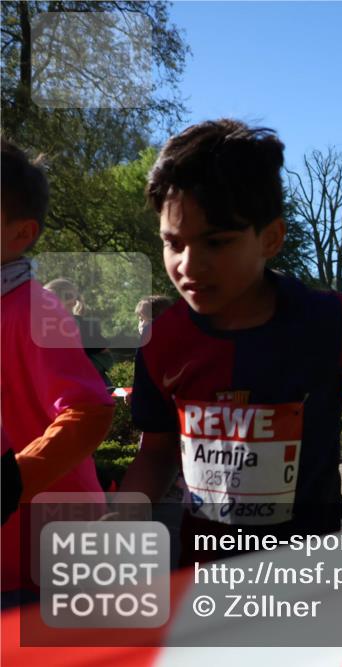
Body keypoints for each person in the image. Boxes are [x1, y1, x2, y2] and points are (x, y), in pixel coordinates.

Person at [119, 119, 342, 565]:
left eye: (216, 242)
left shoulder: (324, 318)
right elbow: (158, 450)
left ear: (271, 237)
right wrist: (121, 515)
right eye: (172, 242)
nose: (189, 263)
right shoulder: (164, 339)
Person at [1, 139, 115, 596]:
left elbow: (90, 411)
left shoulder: (35, 309)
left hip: (43, 554)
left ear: (20, 233)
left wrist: (11, 483)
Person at [43, 278, 115, 388]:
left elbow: (107, 357)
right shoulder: (48, 328)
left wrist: (81, 368)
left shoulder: (84, 328)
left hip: (89, 390)